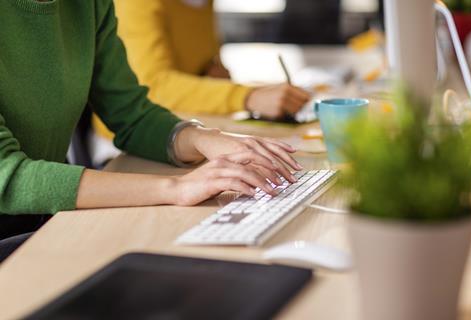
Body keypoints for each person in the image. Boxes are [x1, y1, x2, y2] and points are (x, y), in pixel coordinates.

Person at [0, 0, 302, 260]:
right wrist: (176, 188)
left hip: (44, 216)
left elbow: (130, 113)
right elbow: (7, 176)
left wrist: (205, 139)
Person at [92, 0, 311, 141]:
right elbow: (152, 86)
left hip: (191, 124)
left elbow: (208, 69)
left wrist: (225, 80)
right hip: (134, 138)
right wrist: (246, 96)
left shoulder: (200, 4)